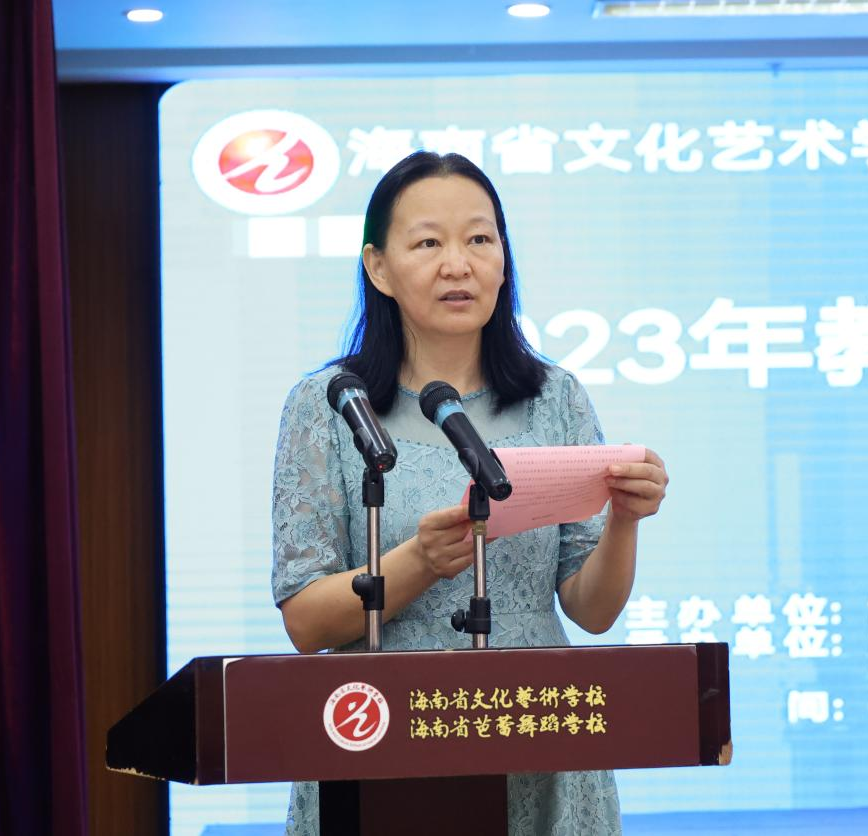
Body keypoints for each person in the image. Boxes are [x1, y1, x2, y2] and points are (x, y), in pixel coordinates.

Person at [270, 151, 669, 836]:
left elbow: (592, 610)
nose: (458, 264)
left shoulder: (554, 398)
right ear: (378, 267)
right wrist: (419, 561)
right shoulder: (332, 405)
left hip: (535, 727)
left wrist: (625, 522)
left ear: (504, 261)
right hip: (382, 732)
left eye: (480, 239)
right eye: (428, 243)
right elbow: (306, 621)